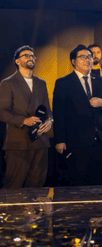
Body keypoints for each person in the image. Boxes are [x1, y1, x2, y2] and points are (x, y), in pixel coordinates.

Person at [53, 45, 102, 186]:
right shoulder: (63, 83)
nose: (87, 60)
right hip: (77, 142)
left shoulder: (100, 80)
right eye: (83, 57)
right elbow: (58, 113)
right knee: (80, 183)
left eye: (89, 57)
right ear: (73, 61)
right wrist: (59, 140)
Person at [0, 46, 52, 189]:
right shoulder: (8, 83)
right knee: (14, 184)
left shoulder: (41, 83)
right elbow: (2, 111)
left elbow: (48, 109)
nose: (30, 57)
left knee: (37, 184)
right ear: (17, 61)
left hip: (41, 141)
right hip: (18, 142)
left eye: (32, 55)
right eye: (26, 55)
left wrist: (50, 120)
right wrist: (24, 120)